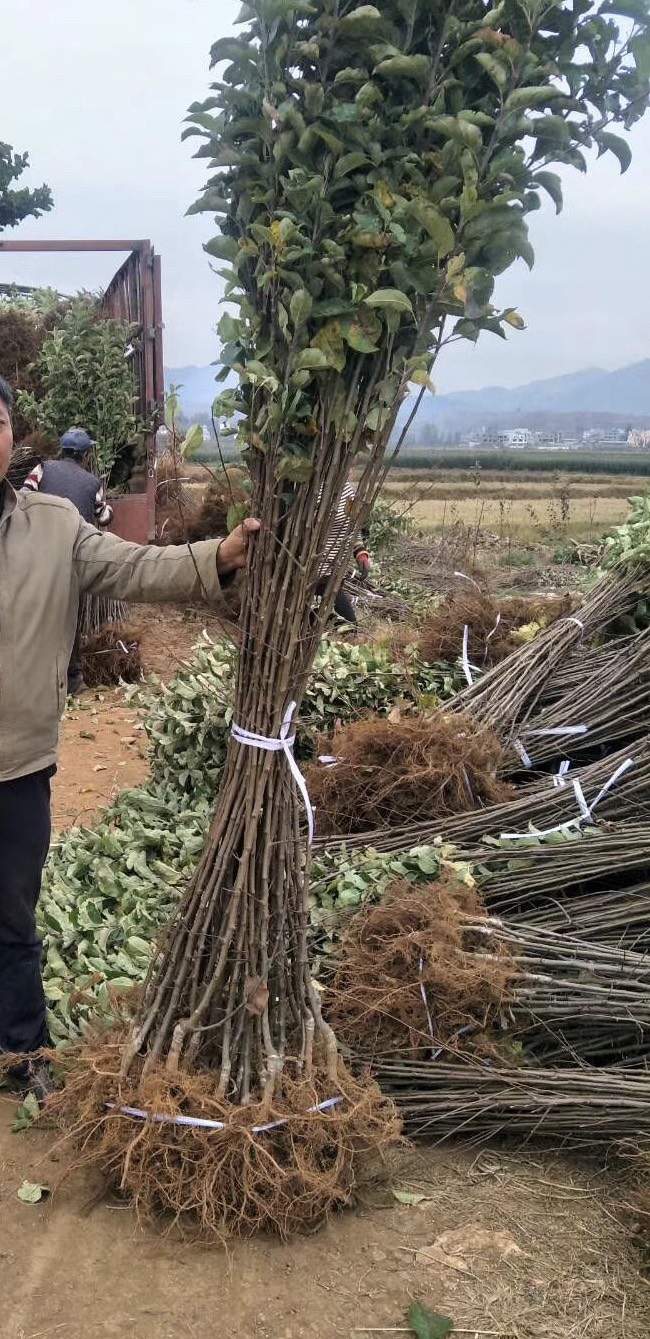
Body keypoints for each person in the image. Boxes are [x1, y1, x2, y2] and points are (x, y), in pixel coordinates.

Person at [0, 378, 259, 1101]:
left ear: (12, 436)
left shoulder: (52, 525)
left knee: (12, 918)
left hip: (17, 764)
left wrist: (219, 557)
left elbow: (138, 566)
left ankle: (20, 1057)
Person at [24, 428, 114, 695]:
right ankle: (73, 680)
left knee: (36, 615)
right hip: (72, 559)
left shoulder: (42, 469)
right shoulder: (92, 483)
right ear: (85, 456)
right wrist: (107, 508)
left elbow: (23, 495)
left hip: (37, 554)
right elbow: (105, 518)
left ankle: (35, 676)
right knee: (69, 619)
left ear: (62, 451)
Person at [315, 480, 372, 626]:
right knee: (347, 626)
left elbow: (352, 528)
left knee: (346, 626)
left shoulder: (346, 489)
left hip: (333, 570)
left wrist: (360, 552)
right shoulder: (310, 489)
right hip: (311, 570)